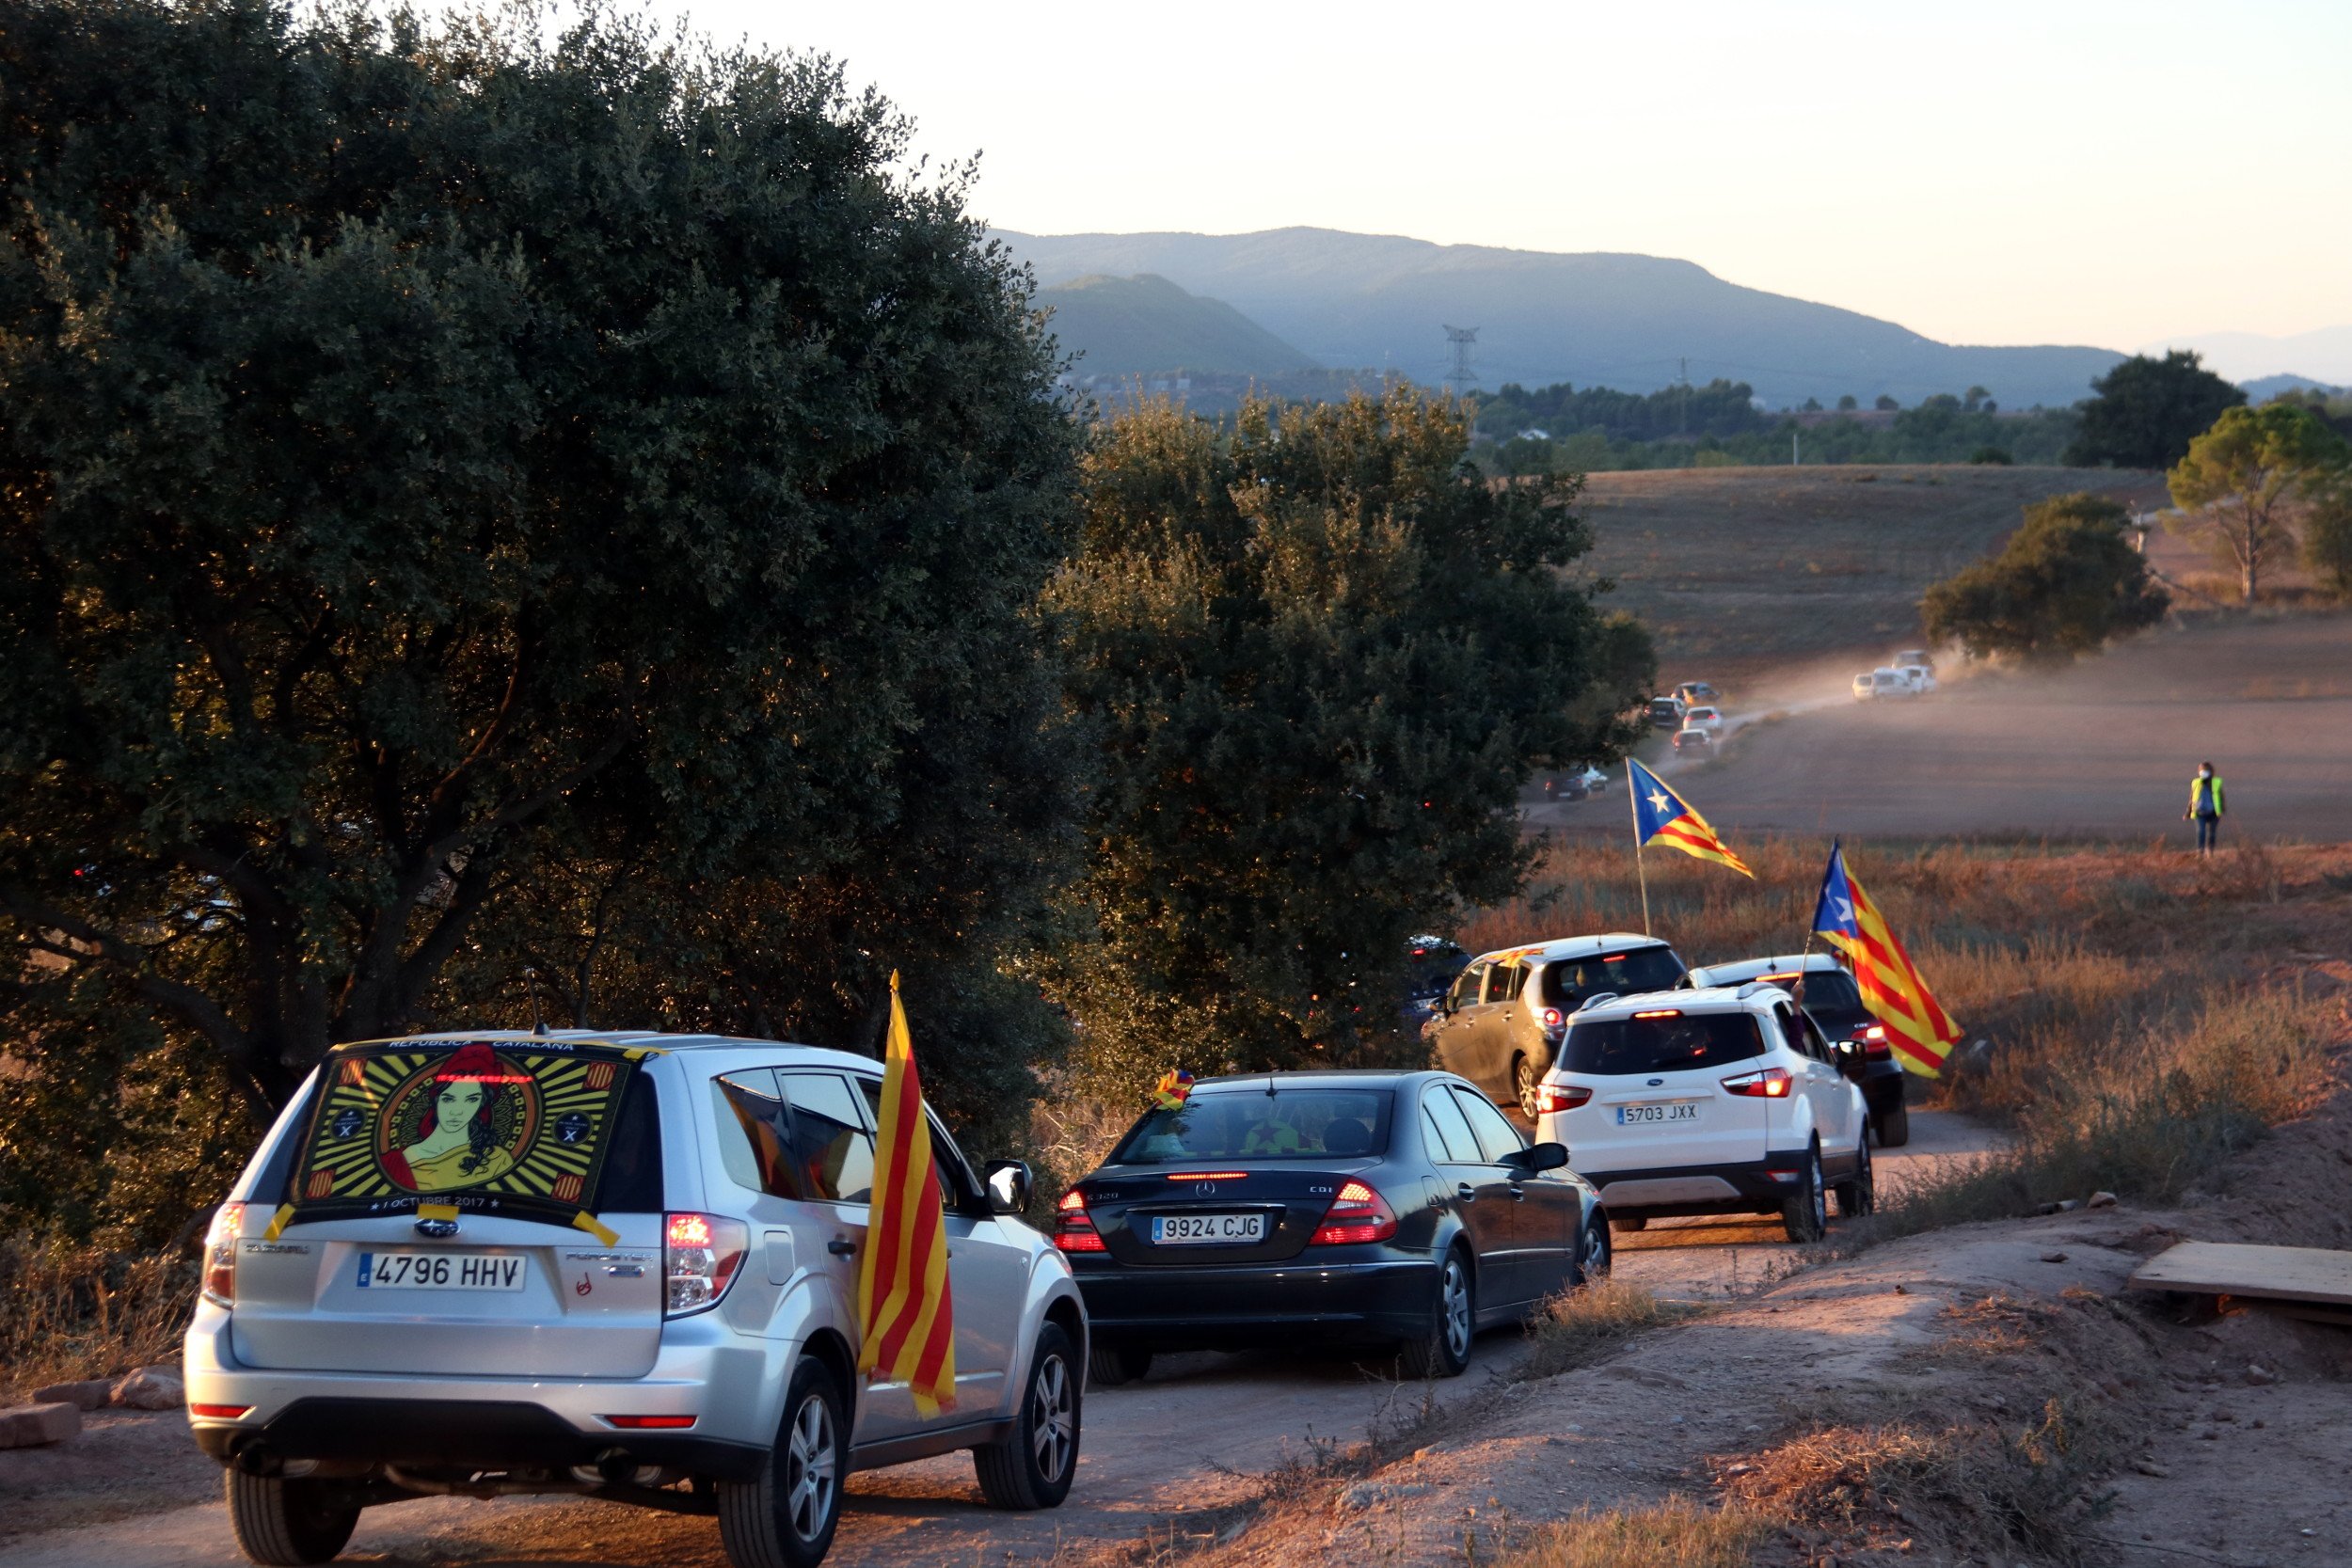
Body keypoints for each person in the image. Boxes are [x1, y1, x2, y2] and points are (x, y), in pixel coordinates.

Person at [2184, 761, 2226, 857]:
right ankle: (2200, 852)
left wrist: (2222, 809)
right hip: (2199, 812)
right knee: (2200, 831)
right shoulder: (2195, 783)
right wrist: (2188, 812)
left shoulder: (2216, 782)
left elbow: (2221, 797)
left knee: (2212, 833)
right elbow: (2191, 798)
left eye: (2205, 770)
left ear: (2210, 771)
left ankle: (2210, 851)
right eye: (2201, 770)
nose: (2203, 772)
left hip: (2213, 813)